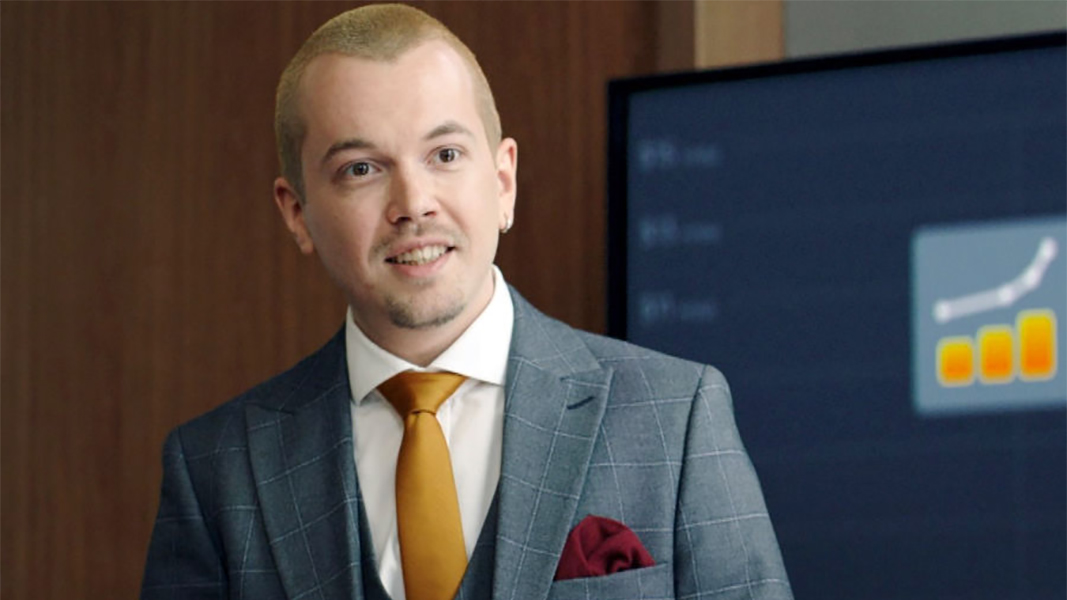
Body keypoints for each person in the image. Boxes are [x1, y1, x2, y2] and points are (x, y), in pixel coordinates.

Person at [140, 4, 792, 600]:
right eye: (361, 169)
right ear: (297, 213)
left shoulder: (675, 418)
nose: (413, 204)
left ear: (503, 181)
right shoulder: (215, 470)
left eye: (445, 154)